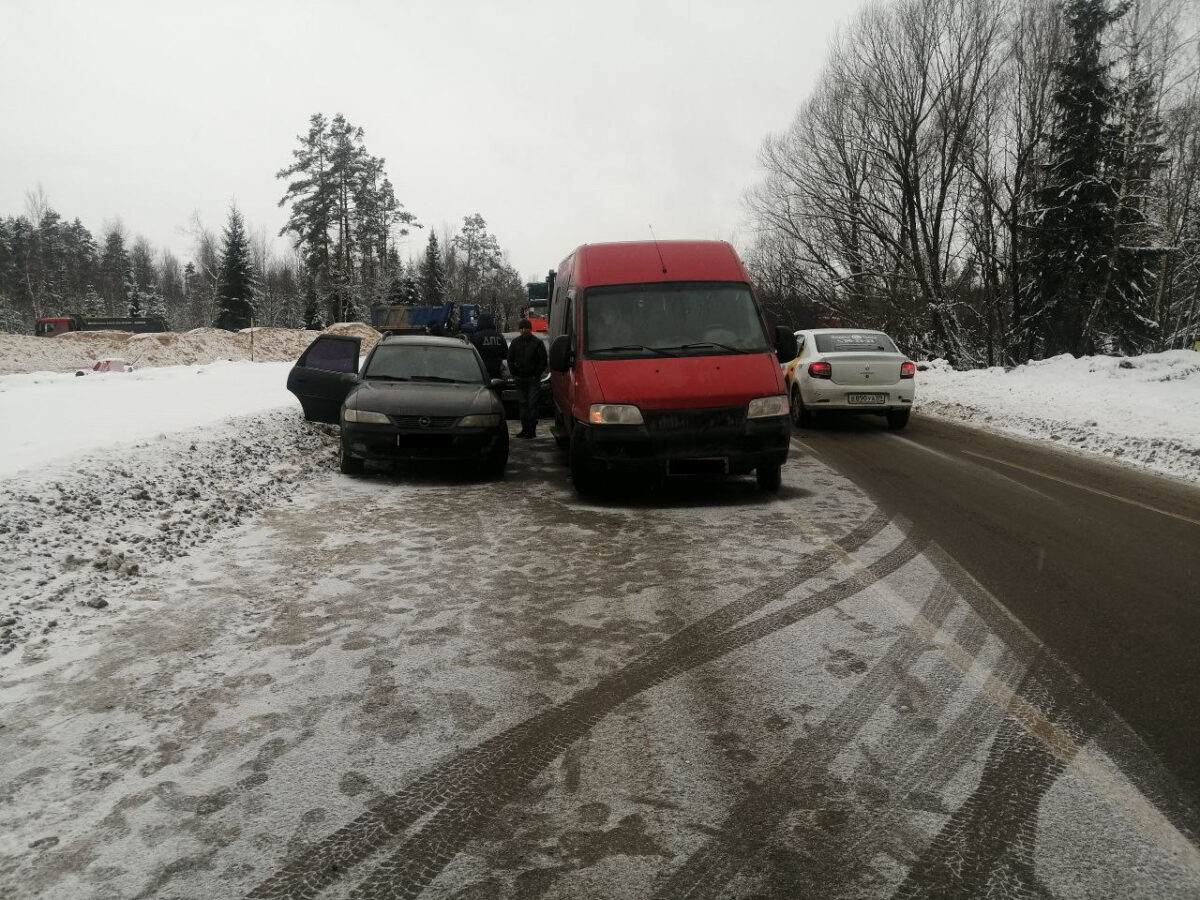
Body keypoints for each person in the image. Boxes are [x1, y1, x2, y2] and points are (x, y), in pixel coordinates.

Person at [507, 318, 548, 439]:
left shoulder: (537, 343)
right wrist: (514, 373)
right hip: (520, 378)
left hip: (532, 378)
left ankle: (531, 430)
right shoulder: (515, 342)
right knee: (523, 404)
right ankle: (525, 429)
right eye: (521, 328)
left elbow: (543, 360)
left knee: (532, 404)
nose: (523, 330)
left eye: (526, 328)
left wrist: (536, 374)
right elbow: (510, 359)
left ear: (530, 329)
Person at [470, 313, 508, 379]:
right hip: (497, 372)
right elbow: (505, 354)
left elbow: (472, 355)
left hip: (481, 372)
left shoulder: (476, 337)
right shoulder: (499, 336)